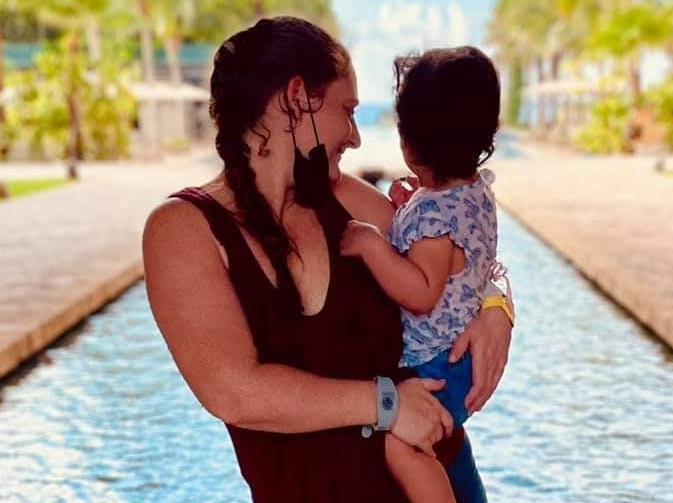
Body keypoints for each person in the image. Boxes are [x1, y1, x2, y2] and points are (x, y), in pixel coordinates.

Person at [142, 16, 513, 503]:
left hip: (450, 479)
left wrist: (497, 308)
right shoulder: (184, 228)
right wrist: (386, 404)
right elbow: (236, 392)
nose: (356, 137)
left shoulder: (346, 201)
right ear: (297, 98)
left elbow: (461, 258)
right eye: (347, 110)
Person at [340, 46, 512, 503]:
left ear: (410, 139)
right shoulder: (470, 192)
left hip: (439, 363)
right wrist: (410, 209)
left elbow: (421, 293)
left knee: (405, 445)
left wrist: (373, 245)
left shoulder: (434, 219)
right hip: (454, 359)